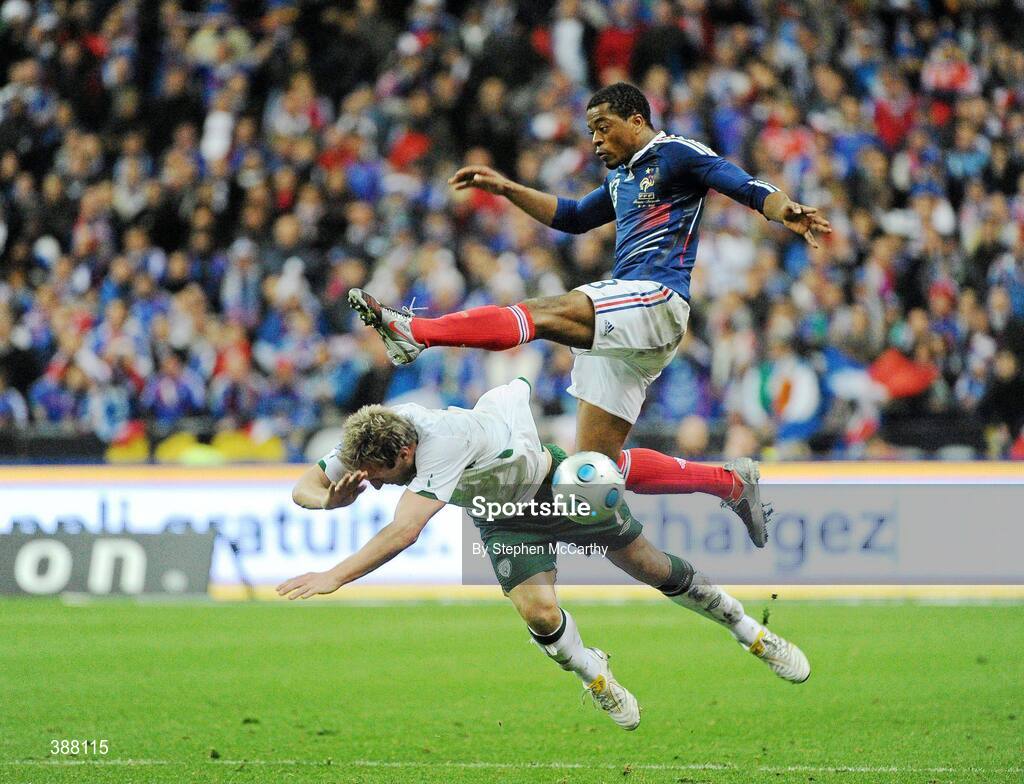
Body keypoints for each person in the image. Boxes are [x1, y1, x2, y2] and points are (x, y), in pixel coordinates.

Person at [348, 83, 832, 548]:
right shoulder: (621, 178)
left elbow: (739, 182)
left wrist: (781, 207)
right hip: (628, 322)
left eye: (603, 128)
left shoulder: (677, 153)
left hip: (656, 298)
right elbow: (574, 216)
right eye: (591, 132)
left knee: (545, 310)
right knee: (593, 468)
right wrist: (507, 188)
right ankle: (729, 482)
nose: (596, 140)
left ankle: (417, 332)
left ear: (636, 121)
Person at [278, 378, 810, 731]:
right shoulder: (372, 437)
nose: (372, 486)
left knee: (650, 566)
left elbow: (404, 531)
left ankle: (751, 633)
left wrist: (335, 575)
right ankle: (594, 673)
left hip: (550, 484)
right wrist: (326, 499)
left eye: (382, 478)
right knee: (538, 613)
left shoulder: (438, 443)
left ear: (406, 454)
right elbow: (303, 485)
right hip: (499, 511)